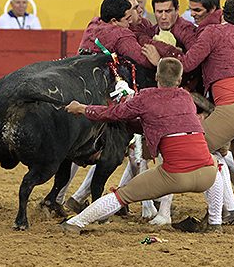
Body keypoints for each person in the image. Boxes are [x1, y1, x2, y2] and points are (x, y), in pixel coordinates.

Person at [143, 0, 234, 226]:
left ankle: (231, 210)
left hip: (232, 106)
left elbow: (188, 63)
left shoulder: (214, 32)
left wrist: (159, 58)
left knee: (198, 151)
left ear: (222, 11)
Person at [62, 57, 222, 234]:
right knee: (216, 163)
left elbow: (114, 113)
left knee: (122, 195)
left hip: (174, 176)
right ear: (179, 79)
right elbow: (162, 124)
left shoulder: (147, 97)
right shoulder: (185, 97)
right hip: (206, 175)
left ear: (156, 76)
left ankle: (75, 222)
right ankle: (215, 222)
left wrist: (83, 108)